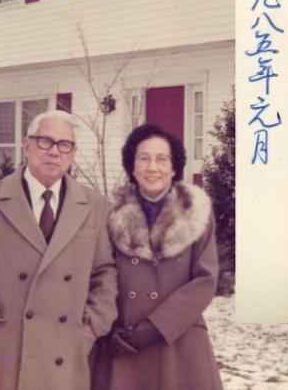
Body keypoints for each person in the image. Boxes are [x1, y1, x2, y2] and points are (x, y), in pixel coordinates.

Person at [0, 110, 117, 390]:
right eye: (45, 141)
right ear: (27, 145)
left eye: (64, 144)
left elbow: (105, 272)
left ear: (72, 153)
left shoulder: (95, 205)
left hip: (68, 348)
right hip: (9, 350)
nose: (54, 152)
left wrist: (93, 325)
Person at [94, 123, 224, 390]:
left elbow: (205, 281)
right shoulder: (108, 215)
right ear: (132, 166)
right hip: (123, 341)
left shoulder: (196, 214)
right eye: (144, 158)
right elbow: (100, 274)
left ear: (174, 168)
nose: (152, 167)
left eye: (162, 159)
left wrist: (156, 328)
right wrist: (109, 327)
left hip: (178, 341)